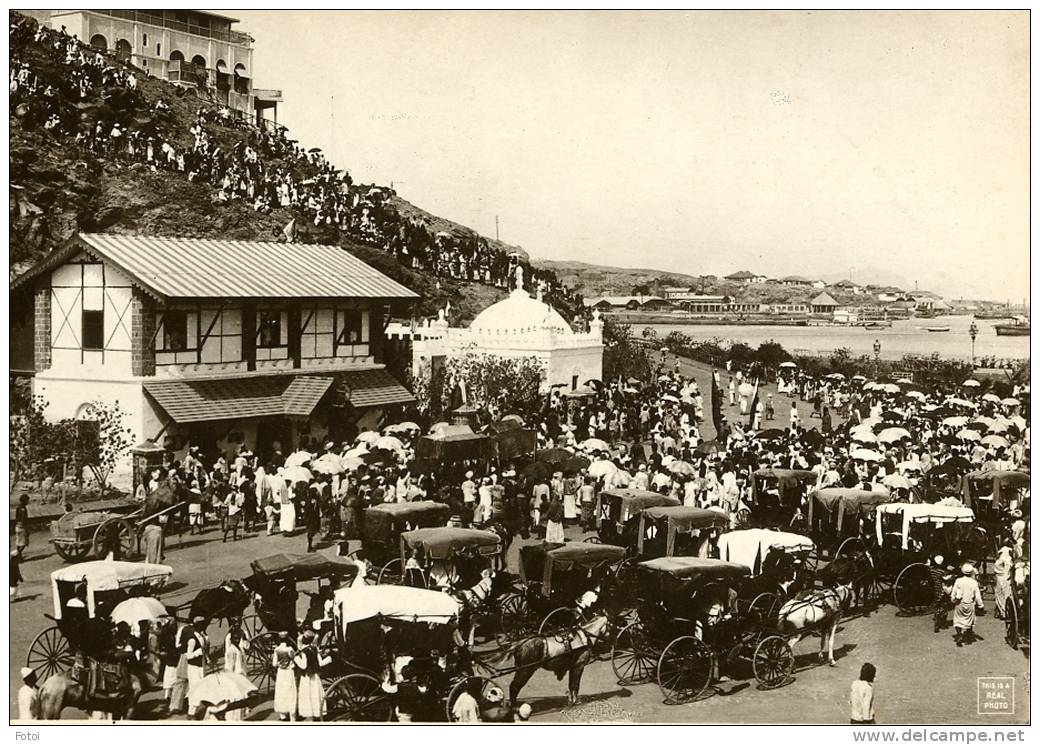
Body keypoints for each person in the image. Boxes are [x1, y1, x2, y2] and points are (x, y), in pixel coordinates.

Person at [294, 630, 330, 721]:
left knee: (308, 695)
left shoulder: (304, 652)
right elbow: (320, 663)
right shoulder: (315, 649)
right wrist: (329, 659)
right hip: (315, 677)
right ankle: (318, 712)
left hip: (307, 677)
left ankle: (310, 714)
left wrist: (296, 659)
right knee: (316, 694)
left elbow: (304, 666)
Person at [951, 563, 984, 646]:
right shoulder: (974, 582)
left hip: (960, 603)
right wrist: (980, 605)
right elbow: (977, 595)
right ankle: (969, 634)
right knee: (970, 619)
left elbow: (954, 591)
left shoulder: (958, 580)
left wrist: (953, 599)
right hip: (970, 604)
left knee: (958, 619)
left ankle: (959, 634)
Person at [184, 617, 209, 715]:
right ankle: (191, 713)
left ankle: (198, 709)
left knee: (202, 687)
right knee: (195, 688)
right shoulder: (192, 639)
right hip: (194, 668)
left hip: (201, 666)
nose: (204, 626)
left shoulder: (202, 635)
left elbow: (204, 649)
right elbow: (188, 656)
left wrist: (207, 659)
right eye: (202, 624)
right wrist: (197, 653)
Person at [272, 632, 297, 721]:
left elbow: (274, 664)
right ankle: (292, 715)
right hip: (289, 672)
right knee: (291, 692)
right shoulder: (289, 649)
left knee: (281, 692)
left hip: (281, 673)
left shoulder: (277, 650)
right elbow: (295, 659)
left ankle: (283, 715)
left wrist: (280, 664)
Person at [993, 542, 1014, 619]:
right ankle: (1002, 611)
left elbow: (1007, 566)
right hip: (1000, 577)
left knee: (1004, 593)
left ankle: (1004, 611)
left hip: (1004, 577)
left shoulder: (1005, 554)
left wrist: (1007, 575)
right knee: (1000, 593)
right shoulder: (1002, 554)